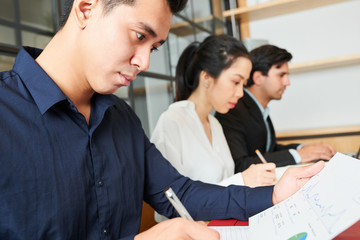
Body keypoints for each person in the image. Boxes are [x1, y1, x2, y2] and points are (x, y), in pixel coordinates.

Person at [0, 0, 325, 239]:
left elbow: (179, 192)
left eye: (154, 48)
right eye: (140, 36)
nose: (142, 62)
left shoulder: (121, 118)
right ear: (86, 9)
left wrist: (272, 195)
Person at [151, 35, 276, 190]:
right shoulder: (172, 121)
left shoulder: (215, 123)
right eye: (236, 82)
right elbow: (172, 201)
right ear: (207, 77)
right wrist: (242, 180)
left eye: (243, 84)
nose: (240, 93)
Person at [215, 44, 335, 173]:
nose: (287, 82)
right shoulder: (231, 111)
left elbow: (268, 150)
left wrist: (304, 149)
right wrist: (299, 155)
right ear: (258, 78)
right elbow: (240, 164)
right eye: (281, 75)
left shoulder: (259, 108)